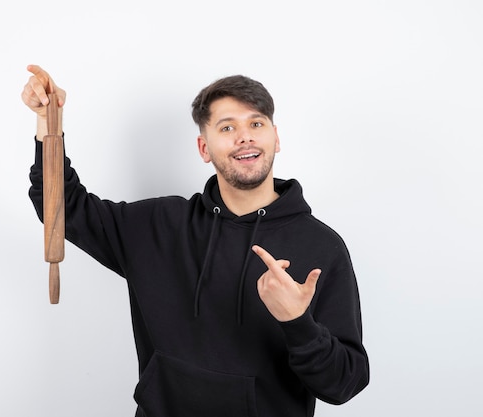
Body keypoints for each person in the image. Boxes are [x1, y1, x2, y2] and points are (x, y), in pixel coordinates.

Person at [21, 64, 370, 417]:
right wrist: (48, 125)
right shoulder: (158, 226)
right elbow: (62, 208)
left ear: (275, 138)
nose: (245, 136)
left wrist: (298, 322)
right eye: (228, 127)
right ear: (204, 148)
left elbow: (344, 383)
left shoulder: (322, 247)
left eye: (256, 123)